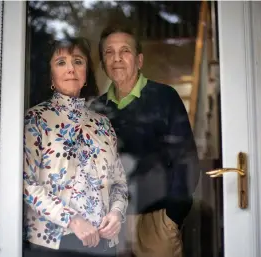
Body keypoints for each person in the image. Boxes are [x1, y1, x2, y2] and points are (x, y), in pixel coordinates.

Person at [91, 25, 200, 257]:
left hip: (157, 221)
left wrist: (172, 217)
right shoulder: (96, 109)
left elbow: (186, 158)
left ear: (139, 60)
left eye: (125, 51)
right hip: (110, 224)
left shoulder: (164, 97)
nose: (117, 58)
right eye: (109, 52)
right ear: (103, 63)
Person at [23, 37, 128, 257]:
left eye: (78, 61)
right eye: (61, 62)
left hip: (104, 245)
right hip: (53, 245)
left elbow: (119, 183)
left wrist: (117, 213)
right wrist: (72, 220)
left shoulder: (103, 124)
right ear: (50, 74)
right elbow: (25, 183)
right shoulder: (36, 119)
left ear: (86, 73)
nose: (71, 68)